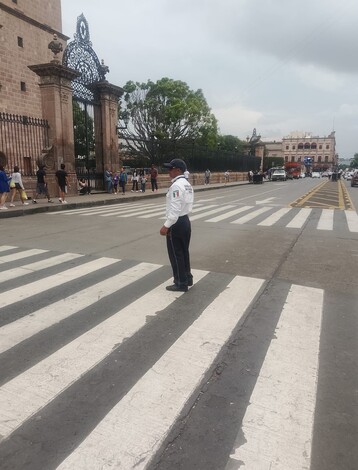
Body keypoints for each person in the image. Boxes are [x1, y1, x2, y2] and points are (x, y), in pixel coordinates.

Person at [160, 158, 194, 292]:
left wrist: (166, 226)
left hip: (176, 223)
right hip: (185, 221)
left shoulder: (176, 186)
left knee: (176, 254)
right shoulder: (186, 184)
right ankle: (187, 277)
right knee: (184, 252)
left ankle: (181, 282)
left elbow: (174, 210)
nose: (169, 171)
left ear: (178, 170)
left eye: (171, 168)